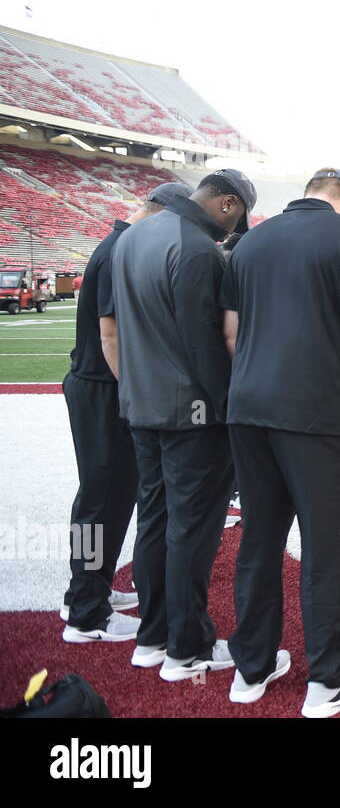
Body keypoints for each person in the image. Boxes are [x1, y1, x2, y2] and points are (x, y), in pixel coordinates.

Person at [220, 168, 340, 716]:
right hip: (320, 415)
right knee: (329, 549)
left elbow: (230, 332)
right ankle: (327, 680)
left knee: (260, 539)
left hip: (250, 408)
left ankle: (250, 667)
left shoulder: (251, 239)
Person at [102, 169, 254, 677]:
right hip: (190, 413)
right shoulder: (196, 248)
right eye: (235, 220)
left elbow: (118, 331)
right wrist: (229, 407)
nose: (231, 232)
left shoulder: (134, 235)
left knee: (157, 521)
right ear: (227, 204)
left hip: (142, 404)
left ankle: (154, 636)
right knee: (192, 530)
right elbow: (202, 343)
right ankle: (186, 647)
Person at [60, 182, 188, 643]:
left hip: (99, 385)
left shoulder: (117, 243)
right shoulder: (120, 250)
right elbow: (111, 336)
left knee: (108, 499)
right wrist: (137, 393)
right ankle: (85, 610)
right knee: (101, 502)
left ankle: (90, 586)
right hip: (104, 388)